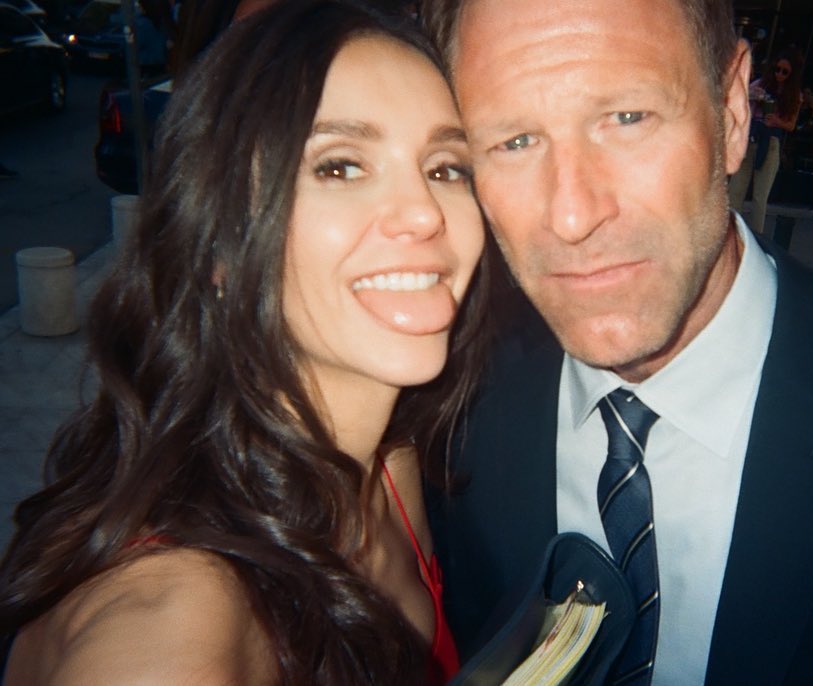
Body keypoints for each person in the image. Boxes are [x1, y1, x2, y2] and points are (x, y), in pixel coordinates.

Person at [421, 1, 813, 684]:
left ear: (733, 111)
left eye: (627, 117)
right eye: (514, 141)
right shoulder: (444, 411)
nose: (571, 215)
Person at [0, 1, 489, 683]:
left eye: (445, 167)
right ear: (220, 244)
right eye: (340, 166)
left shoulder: (389, 467)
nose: (424, 213)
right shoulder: (176, 618)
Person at [728, 49, 803, 235]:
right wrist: (751, 95)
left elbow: (791, 124)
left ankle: (756, 237)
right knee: (736, 190)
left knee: (760, 197)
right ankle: (729, 233)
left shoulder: (793, 95)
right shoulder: (761, 84)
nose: (779, 74)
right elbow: (738, 98)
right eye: (777, 69)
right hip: (751, 137)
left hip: (770, 142)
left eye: (785, 72)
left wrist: (777, 121)